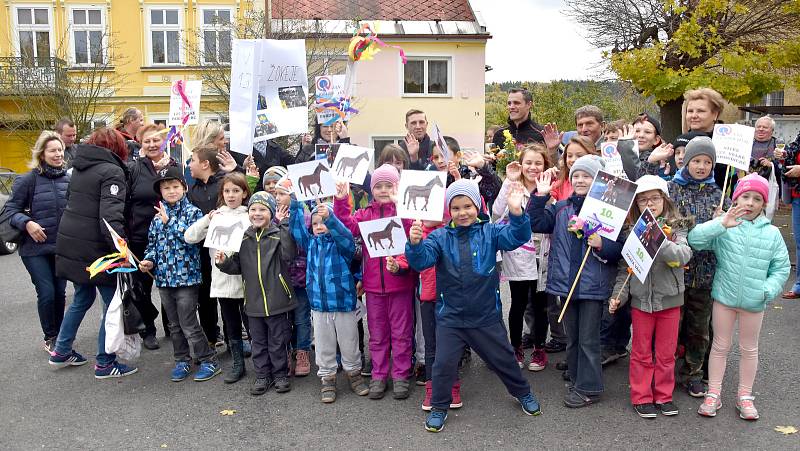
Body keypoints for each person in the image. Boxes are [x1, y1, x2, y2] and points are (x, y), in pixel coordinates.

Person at [406, 179, 542, 433]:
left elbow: (517, 236)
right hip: (451, 318)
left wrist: (516, 212)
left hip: (486, 317)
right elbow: (422, 260)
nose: (462, 212)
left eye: (467, 206)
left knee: (505, 360)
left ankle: (523, 393)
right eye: (456, 208)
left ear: (477, 205)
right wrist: (414, 245)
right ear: (449, 211)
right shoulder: (438, 237)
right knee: (444, 365)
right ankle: (439, 406)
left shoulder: (490, 232)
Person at [690, 173, 789, 420]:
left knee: (749, 349)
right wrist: (721, 223)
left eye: (757, 198)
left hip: (754, 303)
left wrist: (767, 290)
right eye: (745, 196)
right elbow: (695, 239)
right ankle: (713, 393)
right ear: (736, 199)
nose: (751, 202)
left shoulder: (773, 234)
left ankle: (745, 396)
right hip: (724, 298)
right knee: (720, 346)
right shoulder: (725, 226)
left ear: (764, 204)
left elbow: (781, 267)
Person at [529, 155, 624, 408]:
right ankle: (576, 372)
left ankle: (590, 387)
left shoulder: (609, 211)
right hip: (566, 284)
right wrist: (539, 197)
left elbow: (618, 251)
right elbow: (536, 222)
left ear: (598, 181)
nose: (580, 180)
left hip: (593, 286)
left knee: (589, 339)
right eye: (577, 176)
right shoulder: (561, 208)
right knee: (573, 336)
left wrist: (602, 244)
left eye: (587, 176)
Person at [50, 127, 137, 379]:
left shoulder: (79, 168)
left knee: (81, 298)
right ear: (117, 147)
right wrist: (122, 250)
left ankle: (61, 350)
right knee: (111, 305)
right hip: (96, 249)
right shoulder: (112, 171)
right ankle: (105, 362)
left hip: (71, 242)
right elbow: (109, 218)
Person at [609, 176, 693, 418]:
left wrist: (657, 237)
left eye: (654, 198)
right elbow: (626, 269)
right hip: (641, 302)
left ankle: (664, 395)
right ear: (636, 204)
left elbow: (682, 256)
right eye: (643, 199)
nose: (649, 203)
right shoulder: (632, 231)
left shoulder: (678, 227)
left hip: (670, 301)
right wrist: (619, 297)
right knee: (641, 352)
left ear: (664, 200)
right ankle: (641, 396)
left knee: (667, 353)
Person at [333, 164, 416, 400]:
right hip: (373, 287)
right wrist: (341, 200)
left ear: (397, 187)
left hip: (400, 284)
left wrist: (401, 205)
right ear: (371, 189)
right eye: (378, 186)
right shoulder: (365, 213)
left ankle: (400, 375)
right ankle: (379, 374)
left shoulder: (403, 212)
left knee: (401, 333)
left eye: (388, 185)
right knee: (377, 334)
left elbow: (412, 232)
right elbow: (346, 225)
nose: (383, 190)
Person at [138, 166, 221, 382]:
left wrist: (170, 222)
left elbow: (190, 237)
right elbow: (153, 245)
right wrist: (149, 260)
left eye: (175, 186)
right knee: (174, 325)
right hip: (164, 279)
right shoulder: (157, 217)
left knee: (188, 322)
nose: (171, 191)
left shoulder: (193, 212)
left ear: (184, 187)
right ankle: (182, 359)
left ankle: (208, 359)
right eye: (166, 188)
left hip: (187, 277)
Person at [216, 192, 297, 396]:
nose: (257, 213)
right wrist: (223, 262)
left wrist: (284, 224)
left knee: (278, 341)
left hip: (278, 300)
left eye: (262, 209)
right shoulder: (243, 237)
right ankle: (262, 374)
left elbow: (289, 254)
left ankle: (280, 374)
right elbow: (237, 267)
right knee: (258, 342)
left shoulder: (278, 233)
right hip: (253, 302)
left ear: (270, 212)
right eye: (253, 209)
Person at [289, 199, 369, 402]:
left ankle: (354, 374)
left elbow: (345, 236)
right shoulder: (311, 244)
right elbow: (297, 230)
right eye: (315, 223)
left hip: (343, 303)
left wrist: (331, 218)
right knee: (324, 345)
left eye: (322, 222)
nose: (319, 227)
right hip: (319, 305)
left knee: (349, 342)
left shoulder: (342, 245)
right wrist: (295, 204)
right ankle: (327, 377)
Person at [668, 136, 729, 398]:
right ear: (687, 161)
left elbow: (727, 231)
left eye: (707, 162)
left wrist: (721, 219)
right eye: (696, 161)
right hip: (675, 268)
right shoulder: (673, 189)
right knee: (673, 323)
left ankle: (694, 373)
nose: (702, 166)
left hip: (705, 271)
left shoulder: (719, 193)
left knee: (699, 326)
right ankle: (665, 370)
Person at [185, 172, 252, 383]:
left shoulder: (249, 215)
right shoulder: (217, 216)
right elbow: (190, 236)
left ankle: (261, 363)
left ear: (244, 193)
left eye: (236, 191)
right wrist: (207, 218)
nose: (231, 195)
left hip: (246, 279)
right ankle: (238, 363)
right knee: (231, 323)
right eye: (227, 191)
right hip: (223, 281)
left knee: (252, 324)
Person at [6, 131, 70, 353]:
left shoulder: (68, 180)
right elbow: (10, 210)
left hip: (61, 246)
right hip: (34, 248)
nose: (58, 154)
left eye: (60, 149)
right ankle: (50, 336)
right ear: (42, 154)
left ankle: (61, 334)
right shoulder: (28, 179)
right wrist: (28, 223)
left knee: (60, 293)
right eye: (52, 150)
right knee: (46, 291)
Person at [492, 144, 553, 371]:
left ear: (545, 165)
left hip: (543, 254)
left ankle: (539, 348)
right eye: (528, 162)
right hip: (518, 255)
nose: (533, 167)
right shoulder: (513, 187)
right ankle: (515, 347)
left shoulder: (549, 189)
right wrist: (509, 180)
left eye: (538, 163)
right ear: (521, 164)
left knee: (540, 305)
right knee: (517, 303)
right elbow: (497, 212)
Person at [126, 124, 175, 349]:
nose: (152, 145)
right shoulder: (134, 169)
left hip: (170, 236)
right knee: (142, 286)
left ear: (163, 142)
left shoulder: (174, 165)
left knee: (170, 283)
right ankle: (148, 329)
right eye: (147, 141)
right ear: (140, 144)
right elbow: (126, 203)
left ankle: (172, 326)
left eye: (156, 140)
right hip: (141, 237)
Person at [549, 135, 597, 202]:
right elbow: (550, 207)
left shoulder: (600, 182)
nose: (573, 160)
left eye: (579, 156)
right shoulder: (559, 183)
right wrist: (547, 181)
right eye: (570, 156)